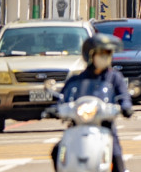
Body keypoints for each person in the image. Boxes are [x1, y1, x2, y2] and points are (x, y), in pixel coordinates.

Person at [50, 35, 132, 172]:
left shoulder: (115, 77)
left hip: (104, 125)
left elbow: (124, 95)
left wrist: (126, 107)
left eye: (108, 53)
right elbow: (63, 98)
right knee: (57, 150)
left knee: (115, 152)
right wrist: (54, 109)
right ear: (90, 55)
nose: (105, 57)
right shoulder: (77, 79)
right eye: (101, 53)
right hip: (77, 124)